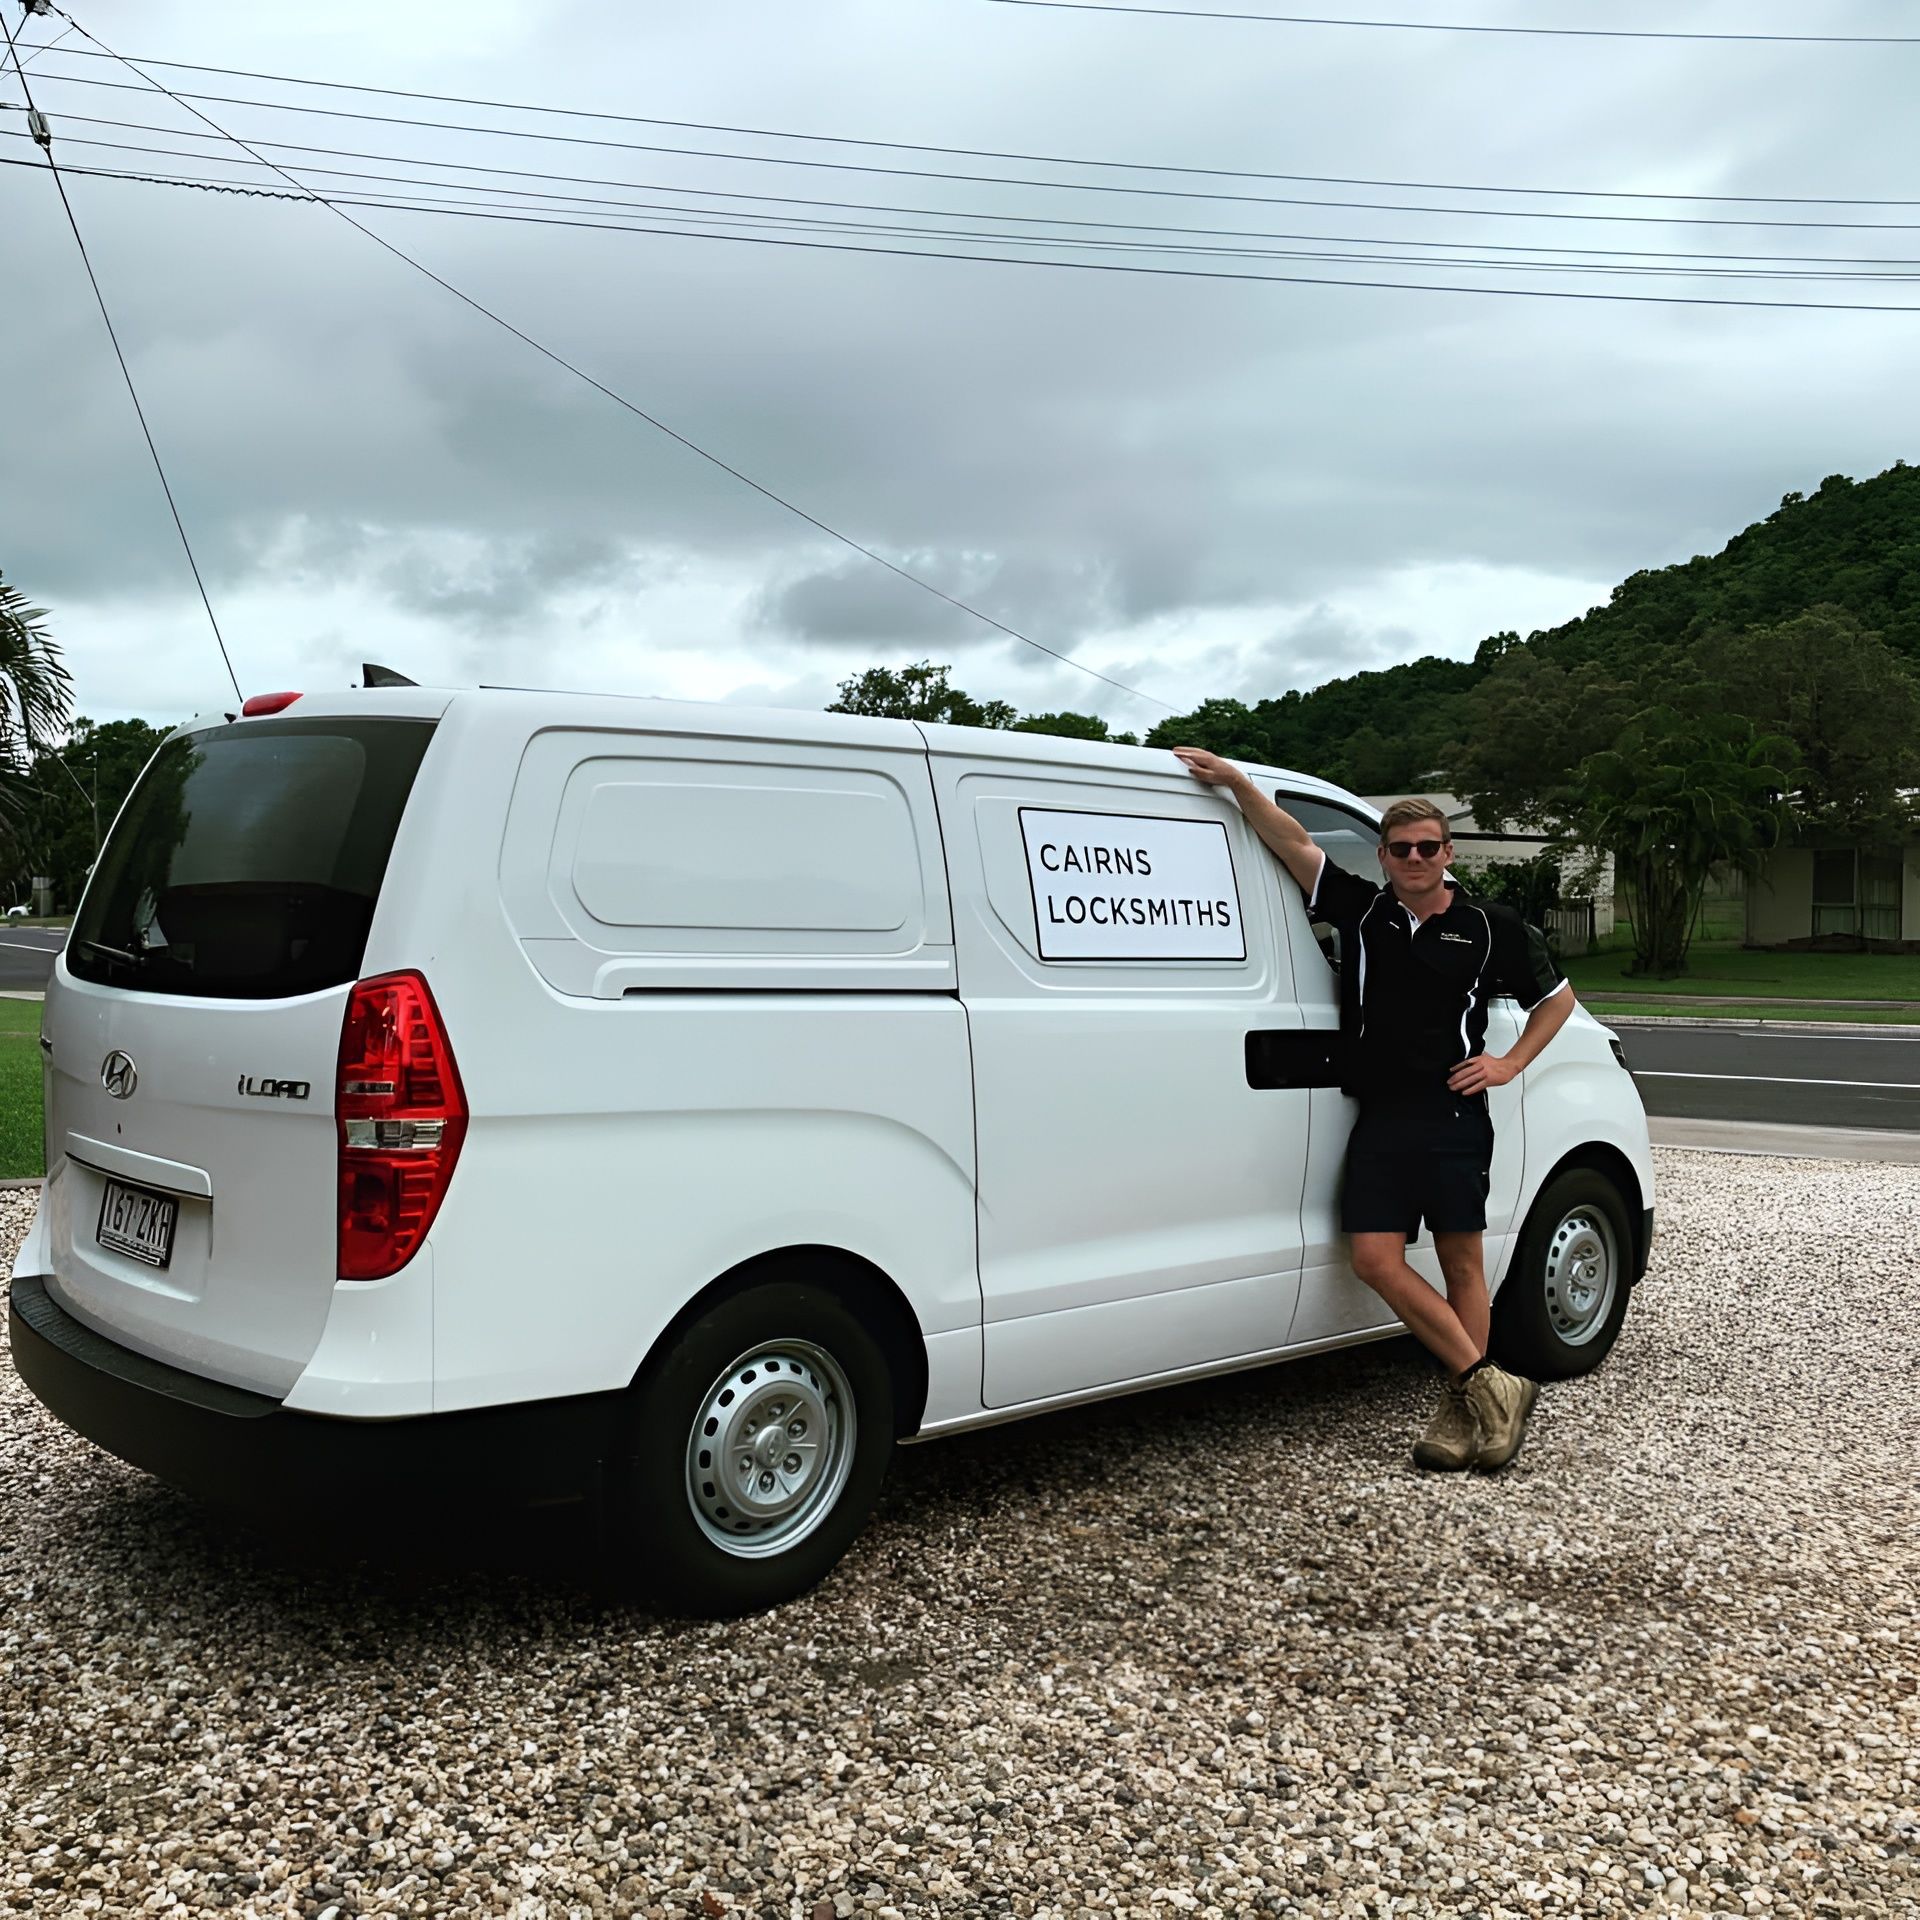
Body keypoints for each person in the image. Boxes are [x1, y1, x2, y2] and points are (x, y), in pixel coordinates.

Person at [1173, 750, 1575, 1472]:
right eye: (1400, 849)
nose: (1414, 858)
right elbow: (1292, 840)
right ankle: (1491, 1384)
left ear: (1448, 854)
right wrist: (1237, 785)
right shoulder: (1362, 911)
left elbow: (1558, 1002)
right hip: (1383, 1117)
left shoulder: (1491, 927)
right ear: (1384, 856)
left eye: (1428, 847)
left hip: (1453, 1115)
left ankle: (1465, 1414)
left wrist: (1510, 1063)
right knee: (1374, 1258)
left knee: (1462, 1265)